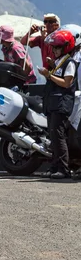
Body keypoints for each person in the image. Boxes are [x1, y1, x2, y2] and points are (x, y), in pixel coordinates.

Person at [38, 30, 78, 179]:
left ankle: (63, 168)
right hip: (53, 103)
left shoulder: (70, 63)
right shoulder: (59, 63)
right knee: (53, 136)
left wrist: (49, 75)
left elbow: (67, 83)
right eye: (53, 47)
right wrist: (51, 66)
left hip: (61, 104)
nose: (54, 50)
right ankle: (54, 166)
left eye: (57, 47)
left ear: (66, 47)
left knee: (58, 135)